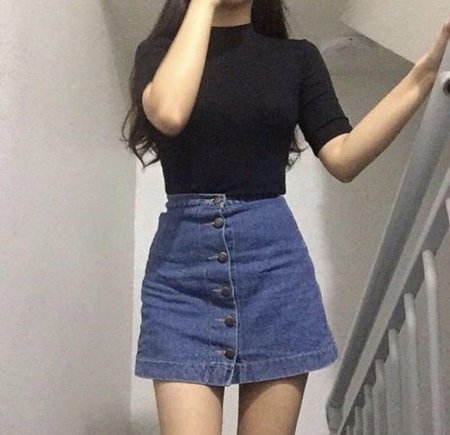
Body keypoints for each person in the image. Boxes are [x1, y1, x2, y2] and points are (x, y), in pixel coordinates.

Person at [121, 0, 450, 433]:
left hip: (275, 272)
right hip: (182, 279)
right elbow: (168, 112)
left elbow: (344, 157)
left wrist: (425, 73)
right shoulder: (158, 52)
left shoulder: (297, 58)